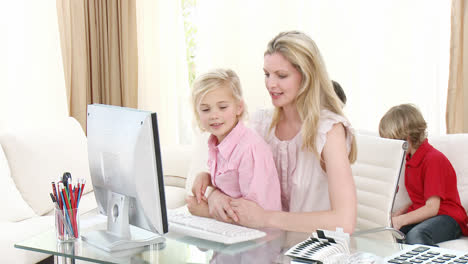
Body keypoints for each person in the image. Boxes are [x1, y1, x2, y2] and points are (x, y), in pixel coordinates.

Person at [203, 31, 358, 233]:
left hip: (313, 251)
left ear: (307, 77)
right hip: (267, 246)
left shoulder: (329, 131)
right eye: (267, 74)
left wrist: (266, 218)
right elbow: (239, 183)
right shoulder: (261, 124)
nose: (270, 84)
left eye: (281, 76)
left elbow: (345, 222)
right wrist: (213, 192)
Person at [186, 68, 282, 219]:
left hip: (256, 238)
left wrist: (207, 212)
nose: (214, 115)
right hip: (228, 232)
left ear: (239, 107)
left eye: (222, 107)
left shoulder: (249, 149)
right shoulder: (216, 143)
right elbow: (230, 187)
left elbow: (256, 216)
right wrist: (208, 178)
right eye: (205, 109)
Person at [379, 103, 468, 245]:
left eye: (392, 140)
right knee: (393, 234)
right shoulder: (410, 160)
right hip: (429, 216)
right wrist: (401, 212)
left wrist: (401, 220)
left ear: (406, 138)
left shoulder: (433, 159)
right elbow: (421, 198)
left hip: (448, 218)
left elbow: (432, 208)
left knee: (416, 235)